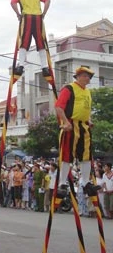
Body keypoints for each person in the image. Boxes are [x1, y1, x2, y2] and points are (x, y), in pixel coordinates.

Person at [55, 66, 101, 197]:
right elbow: (59, 107)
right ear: (78, 76)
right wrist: (65, 122)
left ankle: (86, 183)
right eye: (85, 75)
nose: (88, 78)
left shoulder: (87, 92)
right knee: (67, 155)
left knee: (86, 155)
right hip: (71, 124)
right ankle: (62, 184)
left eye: (89, 76)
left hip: (84, 126)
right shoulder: (69, 88)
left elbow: (85, 109)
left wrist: (89, 120)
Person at [10, 0, 51, 80]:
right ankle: (45, 67)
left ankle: (21, 66)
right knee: (41, 43)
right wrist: (44, 13)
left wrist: (18, 14)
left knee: (24, 42)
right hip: (38, 18)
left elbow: (12, 2)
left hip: (26, 18)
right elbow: (48, 0)